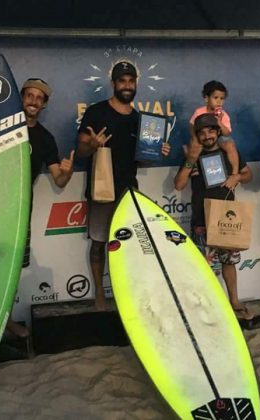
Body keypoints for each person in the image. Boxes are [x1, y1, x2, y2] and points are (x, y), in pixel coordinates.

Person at [77, 61, 170, 311]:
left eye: (131, 81)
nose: (127, 85)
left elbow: (139, 158)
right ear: (114, 84)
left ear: (136, 84)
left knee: (127, 246)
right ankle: (98, 294)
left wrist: (156, 152)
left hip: (129, 189)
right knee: (98, 242)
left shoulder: (140, 120)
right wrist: (93, 145)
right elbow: (81, 150)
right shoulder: (97, 112)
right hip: (101, 189)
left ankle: (125, 293)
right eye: (122, 81)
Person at [7, 78, 74, 337]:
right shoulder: (0, 129)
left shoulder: (45, 138)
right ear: (21, 98)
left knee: (12, 269)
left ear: (44, 104)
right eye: (29, 95)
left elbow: (58, 179)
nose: (33, 101)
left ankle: (8, 322)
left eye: (39, 98)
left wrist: (67, 173)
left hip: (22, 211)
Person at [175, 113, 254, 320]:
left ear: (218, 132)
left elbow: (249, 175)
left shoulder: (230, 153)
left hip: (227, 219)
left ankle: (234, 301)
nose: (207, 135)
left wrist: (236, 176)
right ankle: (209, 305)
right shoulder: (193, 156)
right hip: (202, 221)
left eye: (211, 130)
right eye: (202, 132)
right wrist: (191, 160)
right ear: (198, 135)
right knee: (204, 268)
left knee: (229, 263)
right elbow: (179, 184)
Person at [189, 80, 240, 189]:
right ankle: (194, 167)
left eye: (222, 99)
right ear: (206, 98)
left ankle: (235, 172)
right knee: (189, 147)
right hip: (201, 138)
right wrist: (195, 138)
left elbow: (227, 133)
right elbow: (192, 125)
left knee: (230, 144)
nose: (219, 102)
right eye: (215, 98)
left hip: (218, 139)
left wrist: (219, 122)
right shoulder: (199, 112)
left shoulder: (224, 114)